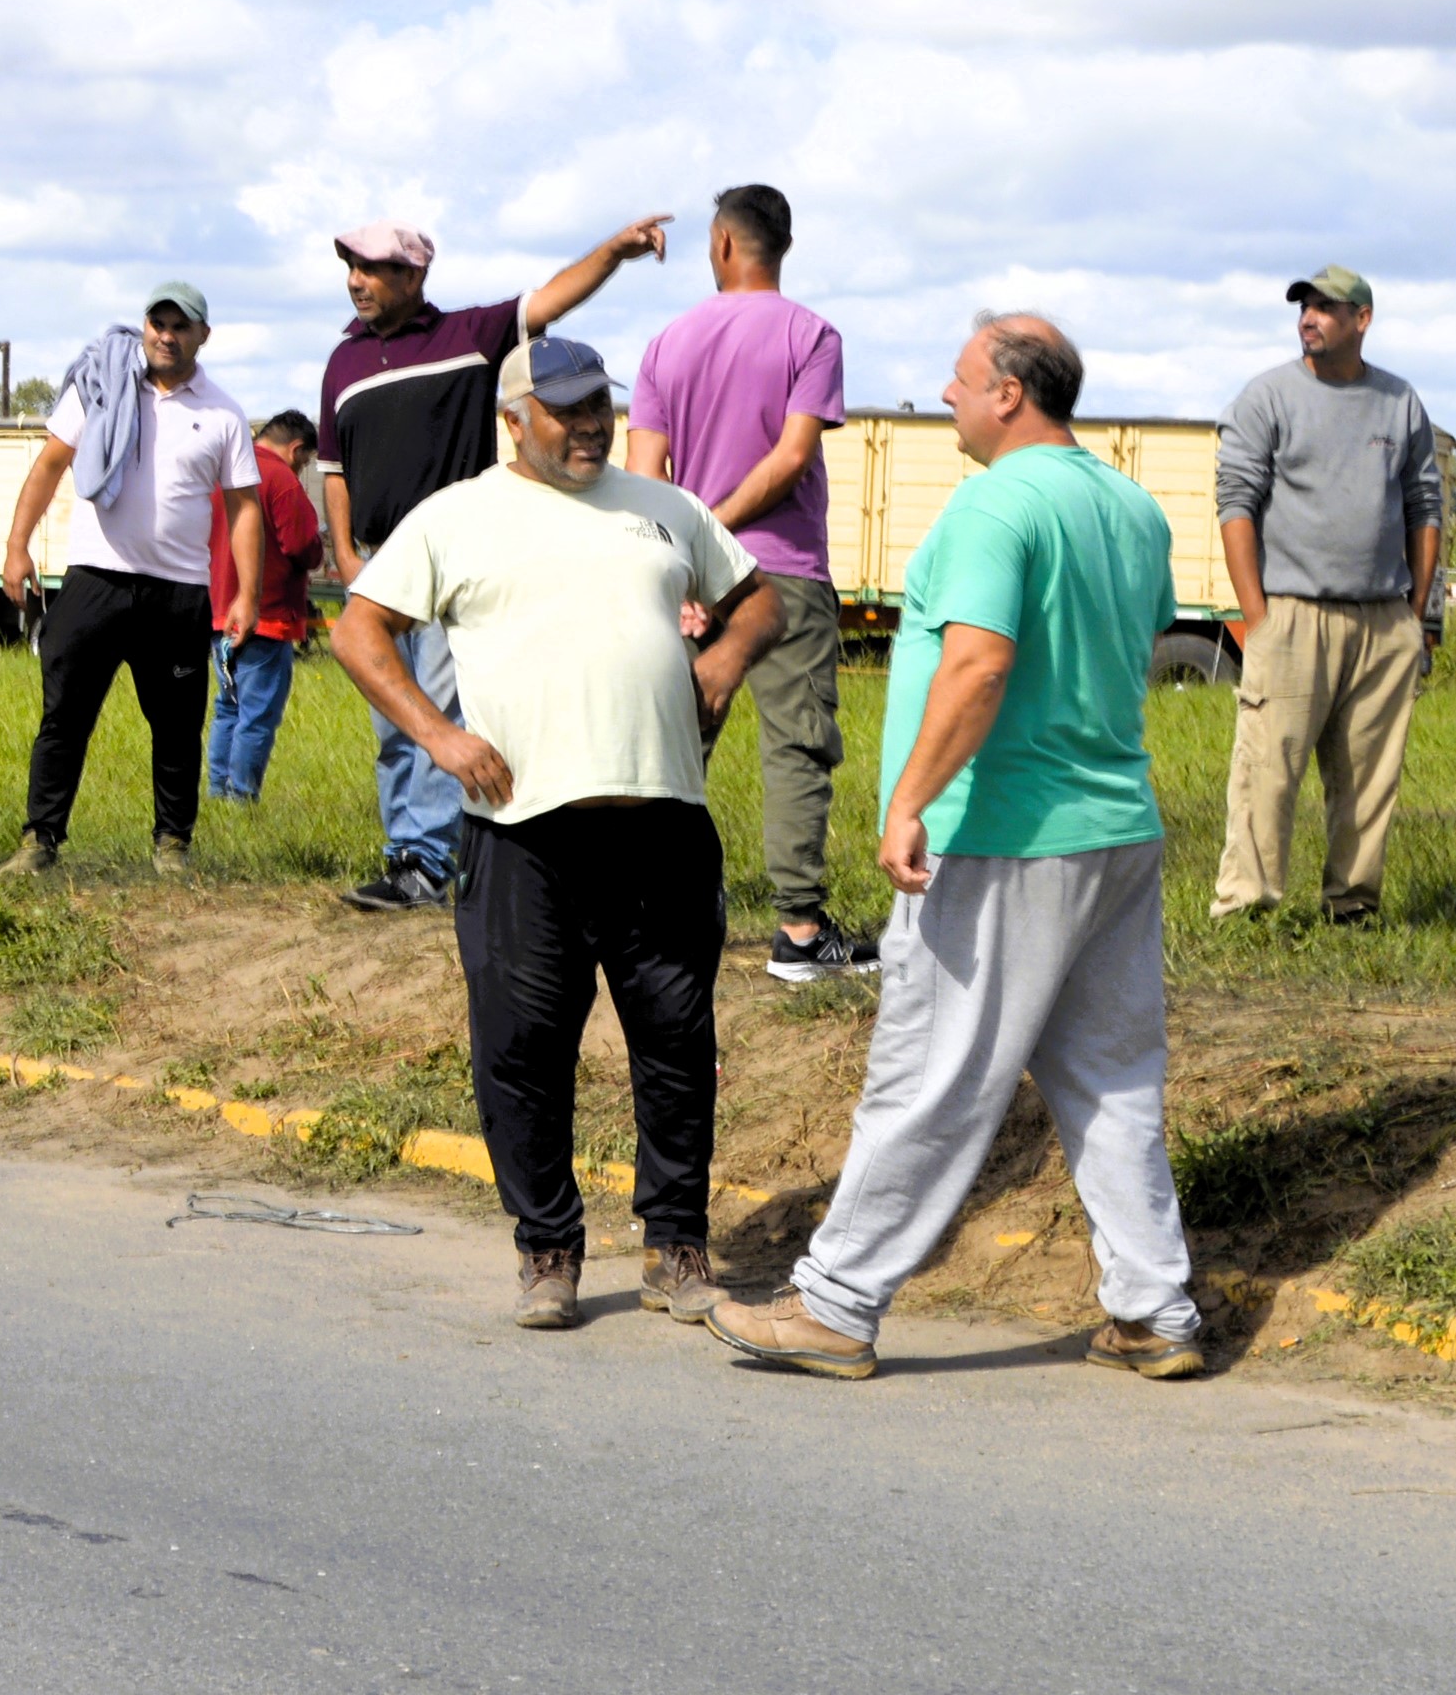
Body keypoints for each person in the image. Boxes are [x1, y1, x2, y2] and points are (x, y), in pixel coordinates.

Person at [712, 314, 1209, 1385]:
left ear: (1010, 394)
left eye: (960, 378)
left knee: (929, 1074)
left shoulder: (994, 505)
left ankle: (835, 1304)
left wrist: (910, 801)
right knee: (1113, 1082)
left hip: (999, 836)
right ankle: (1154, 1310)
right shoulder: (1131, 506)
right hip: (1115, 829)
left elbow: (980, 665)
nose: (946, 394)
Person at [331, 335, 782, 1331]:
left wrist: (723, 662)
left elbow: (760, 601)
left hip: (662, 826)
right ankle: (547, 1250)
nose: (589, 426)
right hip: (522, 836)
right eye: (565, 409)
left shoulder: (663, 507)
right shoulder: (457, 517)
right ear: (514, 420)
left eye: (598, 408)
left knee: (676, 1043)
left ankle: (676, 1249)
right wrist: (439, 736)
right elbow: (358, 630)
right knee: (523, 1050)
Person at [316, 212, 675, 912]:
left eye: (372, 269)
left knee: (443, 707)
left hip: (454, 560)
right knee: (395, 721)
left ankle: (430, 862)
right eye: (351, 268)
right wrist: (348, 556)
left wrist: (614, 249)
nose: (356, 281)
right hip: (381, 567)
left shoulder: (468, 336)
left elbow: (549, 300)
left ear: (413, 275)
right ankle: (407, 855)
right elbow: (334, 469)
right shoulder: (343, 361)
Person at [621, 183, 861, 981]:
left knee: (671, 738)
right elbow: (792, 457)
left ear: (722, 243)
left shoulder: (667, 343)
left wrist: (692, 551)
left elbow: (643, 475)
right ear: (782, 246)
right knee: (795, 742)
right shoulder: (811, 335)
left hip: (687, 577)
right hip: (784, 570)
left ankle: (642, 909)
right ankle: (799, 931)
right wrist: (722, 534)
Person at [0, 281, 265, 876]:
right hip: (95, 580)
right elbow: (50, 463)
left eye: (180, 326)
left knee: (176, 727)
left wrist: (247, 594)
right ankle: (39, 840)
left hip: (178, 591)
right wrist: (17, 547)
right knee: (64, 716)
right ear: (144, 326)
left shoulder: (223, 413)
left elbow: (244, 508)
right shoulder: (103, 387)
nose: (166, 336)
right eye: (157, 324)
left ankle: (173, 846)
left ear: (203, 335)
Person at [1208, 266, 1444, 927]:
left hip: (1383, 619)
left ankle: (1353, 908)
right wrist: (1259, 618)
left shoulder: (1399, 402)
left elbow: (1426, 506)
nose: (1308, 318)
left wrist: (1414, 614)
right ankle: (1247, 912)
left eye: (1324, 307)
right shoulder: (1267, 397)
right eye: (1303, 307)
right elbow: (1236, 504)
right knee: (1267, 772)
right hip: (1291, 614)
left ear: (1361, 319)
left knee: (1370, 778)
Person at [204, 410, 329, 812]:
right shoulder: (280, 478)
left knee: (228, 707)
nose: (301, 467)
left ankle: (217, 795)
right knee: (257, 715)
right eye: (304, 460)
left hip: (219, 613)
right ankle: (241, 800)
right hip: (266, 616)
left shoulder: (222, 472)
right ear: (296, 448)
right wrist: (320, 547)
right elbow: (301, 545)